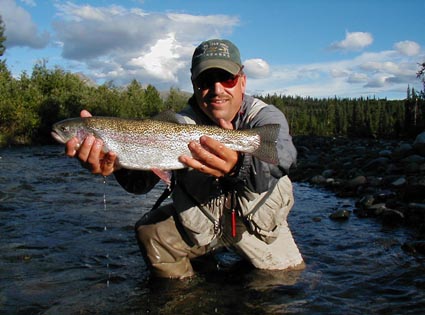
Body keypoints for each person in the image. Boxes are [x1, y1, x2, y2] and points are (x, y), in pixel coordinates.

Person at [65, 39, 305, 279]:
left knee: (286, 284)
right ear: (193, 84)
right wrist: (116, 164)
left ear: (242, 81)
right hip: (202, 226)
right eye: (205, 81)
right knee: (151, 232)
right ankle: (184, 295)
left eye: (227, 79)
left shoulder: (264, 117)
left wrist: (238, 166)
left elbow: (284, 156)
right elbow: (139, 185)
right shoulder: (176, 125)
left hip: (256, 229)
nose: (217, 89)